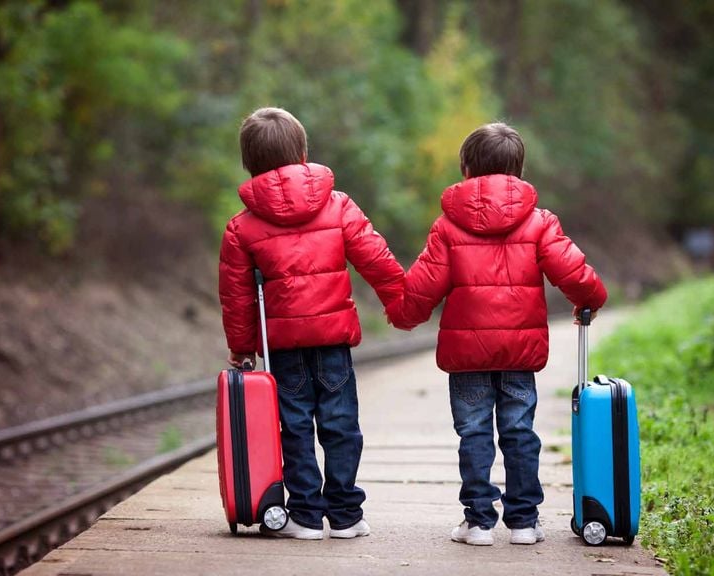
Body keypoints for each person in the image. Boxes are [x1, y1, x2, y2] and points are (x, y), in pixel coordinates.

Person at [386, 122, 607, 546]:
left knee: (474, 434)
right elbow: (573, 271)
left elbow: (422, 286)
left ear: (466, 169)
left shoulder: (448, 226)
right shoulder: (539, 222)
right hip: (518, 354)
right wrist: (590, 299)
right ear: (518, 170)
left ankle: (479, 521)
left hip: (467, 354)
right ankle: (524, 521)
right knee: (519, 432)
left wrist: (402, 315)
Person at [219, 107, 404, 540]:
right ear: (303, 151)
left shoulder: (241, 228)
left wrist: (243, 346)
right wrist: (402, 304)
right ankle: (345, 514)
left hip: (283, 347)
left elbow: (237, 296)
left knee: (295, 426)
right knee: (341, 423)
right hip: (333, 342)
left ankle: (304, 514)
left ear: (248, 162)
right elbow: (376, 259)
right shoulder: (338, 205)